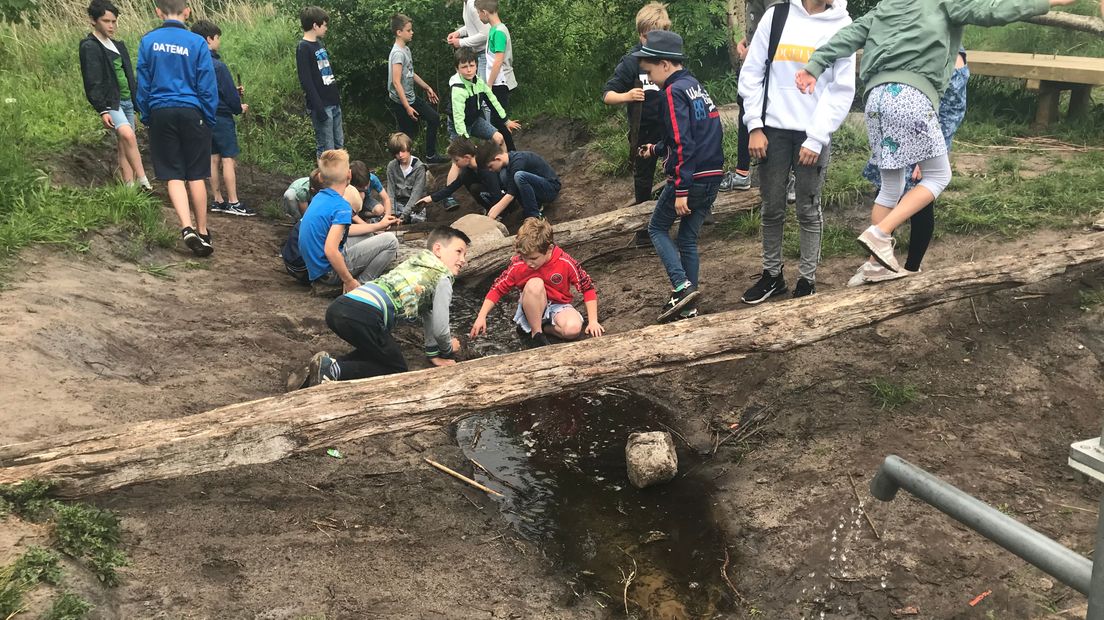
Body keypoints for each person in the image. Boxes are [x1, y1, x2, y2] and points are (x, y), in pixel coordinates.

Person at [796, 0, 1074, 275]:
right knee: (939, 176)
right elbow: (993, 10)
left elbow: (847, 36)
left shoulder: (887, 6)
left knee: (891, 186)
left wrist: (814, 67)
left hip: (876, 100)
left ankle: (873, 266)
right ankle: (880, 233)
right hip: (911, 96)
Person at [738, 0, 856, 303]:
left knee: (808, 208)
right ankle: (772, 276)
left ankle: (807, 281)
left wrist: (816, 137)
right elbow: (752, 73)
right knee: (772, 206)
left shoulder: (843, 25)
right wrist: (754, 125)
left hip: (812, 134)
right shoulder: (776, 16)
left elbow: (841, 88)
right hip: (772, 131)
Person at [850, 48, 969, 286]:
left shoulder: (951, 47)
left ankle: (912, 268)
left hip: (923, 131)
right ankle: (875, 264)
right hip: (896, 122)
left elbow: (953, 106)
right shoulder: (911, 32)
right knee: (886, 191)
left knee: (921, 206)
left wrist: (936, 148)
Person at [301, 226, 472, 385]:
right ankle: (332, 371)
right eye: (459, 252)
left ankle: (323, 366)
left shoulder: (417, 262)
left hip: (340, 306)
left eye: (465, 255)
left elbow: (429, 314)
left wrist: (433, 354)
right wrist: (448, 348)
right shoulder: (443, 277)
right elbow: (440, 328)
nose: (463, 260)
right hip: (365, 314)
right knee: (396, 367)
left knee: (378, 351)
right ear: (438, 249)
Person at [635, 30, 724, 323]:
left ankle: (681, 285)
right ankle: (689, 306)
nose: (650, 79)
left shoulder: (672, 92)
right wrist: (657, 148)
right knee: (686, 238)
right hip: (712, 176)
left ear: (665, 64)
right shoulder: (694, 86)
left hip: (691, 178)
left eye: (649, 73)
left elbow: (684, 143)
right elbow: (691, 135)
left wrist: (682, 187)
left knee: (656, 228)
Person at [136, 0, 217, 257]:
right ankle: (203, 230)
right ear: (187, 11)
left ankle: (186, 226)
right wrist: (208, 116)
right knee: (196, 174)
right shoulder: (197, 43)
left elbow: (143, 82)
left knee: (173, 174)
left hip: (161, 110)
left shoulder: (148, 41)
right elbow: (206, 83)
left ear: (158, 12)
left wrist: (147, 114)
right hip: (192, 110)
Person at [469, 217, 603, 348]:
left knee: (572, 330)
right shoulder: (518, 264)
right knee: (535, 283)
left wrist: (593, 321)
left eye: (533, 258)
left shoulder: (564, 261)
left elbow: (587, 287)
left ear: (549, 249)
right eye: (524, 257)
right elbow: (498, 288)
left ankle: (544, 329)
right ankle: (536, 333)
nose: (528, 263)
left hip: (558, 305)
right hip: (531, 305)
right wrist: (481, 316)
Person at [601, 2, 670, 248]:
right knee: (643, 179)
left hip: (669, 126)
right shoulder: (632, 62)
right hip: (644, 130)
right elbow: (607, 94)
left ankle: (687, 216)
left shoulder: (668, 58)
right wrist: (627, 96)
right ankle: (643, 230)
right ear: (641, 36)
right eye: (649, 37)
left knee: (679, 169)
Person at [297, 149, 400, 296]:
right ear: (349, 175)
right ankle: (361, 285)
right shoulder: (341, 206)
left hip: (316, 267)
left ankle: (354, 280)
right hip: (328, 271)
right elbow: (330, 250)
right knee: (391, 241)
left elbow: (343, 231)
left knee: (370, 236)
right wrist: (348, 280)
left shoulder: (321, 197)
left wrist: (378, 226)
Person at [79, 0, 152, 191]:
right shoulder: (90, 46)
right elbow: (92, 80)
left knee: (123, 144)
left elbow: (128, 75)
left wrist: (137, 102)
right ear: (93, 21)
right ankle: (144, 180)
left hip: (127, 100)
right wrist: (102, 109)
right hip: (111, 101)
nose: (111, 26)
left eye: (114, 21)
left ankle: (129, 187)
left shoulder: (119, 45)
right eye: (106, 21)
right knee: (128, 136)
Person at [719, 0, 785, 195]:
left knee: (769, 114)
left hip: (769, 63)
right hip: (755, 59)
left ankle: (786, 179)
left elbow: (780, 21)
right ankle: (743, 172)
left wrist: (754, 50)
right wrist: (747, 42)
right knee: (745, 108)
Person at [192, 19, 255, 217]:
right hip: (221, 117)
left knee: (212, 159)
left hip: (203, 117)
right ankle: (234, 202)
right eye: (218, 38)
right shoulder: (218, 66)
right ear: (209, 39)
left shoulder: (193, 64)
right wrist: (239, 106)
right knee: (228, 159)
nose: (219, 41)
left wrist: (232, 92)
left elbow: (210, 90)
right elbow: (228, 96)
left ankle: (217, 200)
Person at [387, 14, 446, 164]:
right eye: (409, 30)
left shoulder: (405, 49)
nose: (412, 32)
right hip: (401, 102)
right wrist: (407, 106)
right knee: (406, 137)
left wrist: (426, 87)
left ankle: (431, 156)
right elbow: (396, 81)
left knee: (433, 118)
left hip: (411, 97)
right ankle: (404, 166)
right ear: (399, 32)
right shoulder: (398, 54)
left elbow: (410, 73)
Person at [446, 48, 518, 149]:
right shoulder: (458, 89)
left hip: (475, 121)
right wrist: (466, 141)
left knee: (499, 138)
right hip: (457, 126)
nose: (469, 70)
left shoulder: (479, 83)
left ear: (476, 65)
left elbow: (493, 101)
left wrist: (505, 120)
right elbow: (458, 118)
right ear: (457, 69)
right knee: (464, 158)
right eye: (464, 67)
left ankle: (507, 163)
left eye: (471, 65)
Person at [297, 5, 342, 158]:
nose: (326, 28)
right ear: (315, 26)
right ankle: (325, 181)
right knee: (326, 150)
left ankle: (340, 179)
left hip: (333, 102)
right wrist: (319, 107)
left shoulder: (319, 44)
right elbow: (306, 81)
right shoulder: (303, 48)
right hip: (321, 106)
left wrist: (337, 99)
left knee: (339, 146)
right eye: (324, 24)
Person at [415, 137, 504, 214]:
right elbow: (451, 188)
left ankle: (499, 212)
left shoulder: (486, 168)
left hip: (502, 195)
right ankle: (489, 208)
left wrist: (495, 211)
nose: (455, 164)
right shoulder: (467, 171)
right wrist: (429, 198)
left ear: (467, 157)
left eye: (456, 160)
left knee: (476, 188)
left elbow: (496, 193)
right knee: (473, 186)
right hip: (491, 193)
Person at [477, 142, 560, 221]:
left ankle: (535, 215)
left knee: (519, 176)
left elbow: (510, 195)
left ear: (497, 159)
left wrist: (493, 214)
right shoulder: (509, 161)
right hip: (539, 188)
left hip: (551, 189)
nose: (490, 170)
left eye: (490, 167)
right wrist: (491, 212)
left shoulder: (518, 162)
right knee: (505, 176)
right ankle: (534, 206)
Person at [474, 0, 518, 152]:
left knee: (499, 122)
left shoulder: (499, 32)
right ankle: (504, 152)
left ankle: (511, 153)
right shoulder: (494, 29)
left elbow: (498, 60)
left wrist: (489, 85)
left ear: (484, 12)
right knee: (495, 122)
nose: (479, 16)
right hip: (496, 81)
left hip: (500, 82)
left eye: (478, 13)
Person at [282, 168, 323, 283]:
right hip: (296, 196)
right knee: (290, 196)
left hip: (293, 264)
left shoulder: (321, 188)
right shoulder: (303, 190)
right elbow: (306, 214)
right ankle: (295, 220)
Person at [385, 132, 428, 223]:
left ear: (409, 149)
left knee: (417, 220)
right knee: (382, 216)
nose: (400, 155)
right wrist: (392, 213)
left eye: (403, 151)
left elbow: (416, 194)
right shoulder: (391, 166)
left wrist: (403, 216)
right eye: (397, 153)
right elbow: (391, 192)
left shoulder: (419, 167)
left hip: (415, 205)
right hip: (398, 204)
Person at [447, 0, 490, 82]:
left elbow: (485, 33)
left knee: (483, 90)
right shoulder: (466, 3)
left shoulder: (473, 5)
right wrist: (458, 33)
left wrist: (461, 42)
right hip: (477, 55)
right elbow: (471, 26)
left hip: (485, 54)